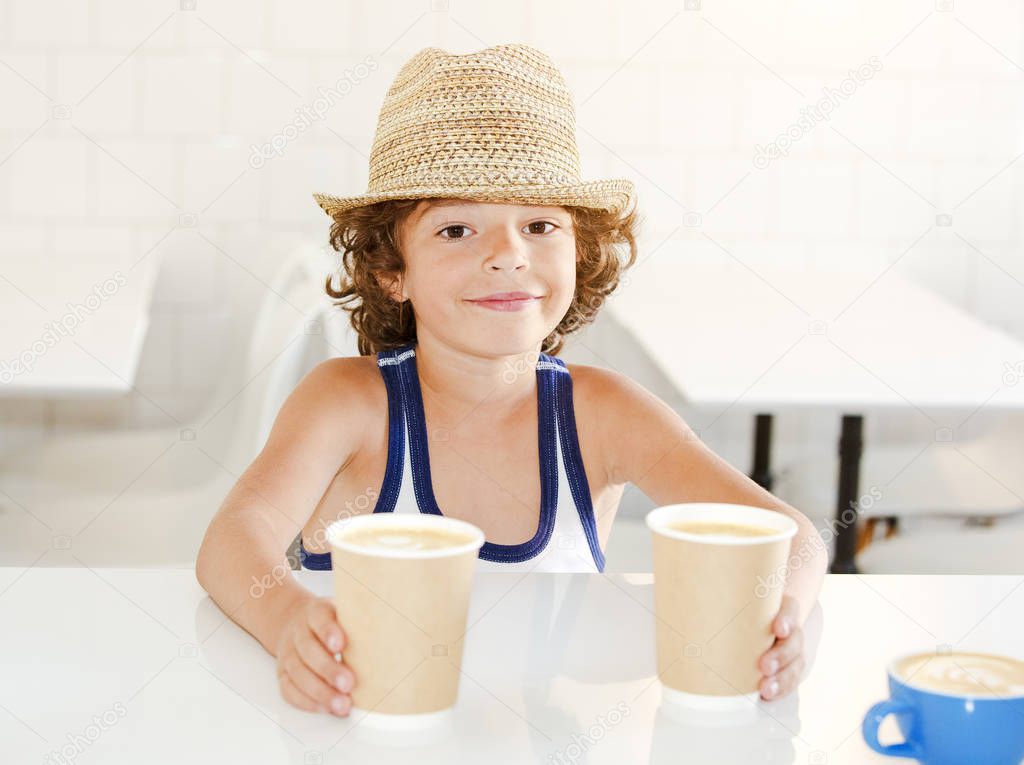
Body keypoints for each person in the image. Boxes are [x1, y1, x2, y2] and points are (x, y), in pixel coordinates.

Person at [195, 43, 826, 718]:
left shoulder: (604, 414)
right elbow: (233, 539)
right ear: (391, 269)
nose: (507, 254)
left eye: (539, 224)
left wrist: (784, 614)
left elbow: (792, 536)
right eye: (458, 228)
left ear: (579, 252)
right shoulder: (349, 404)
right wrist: (289, 619)